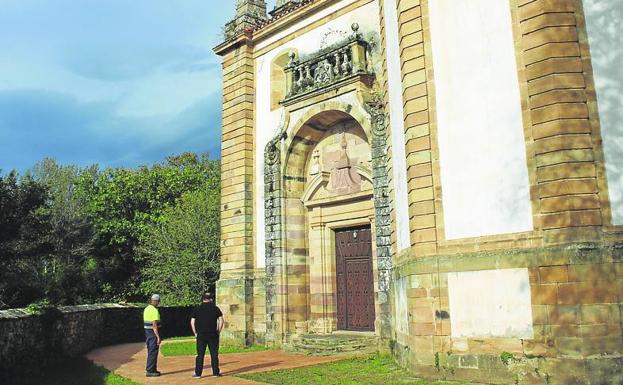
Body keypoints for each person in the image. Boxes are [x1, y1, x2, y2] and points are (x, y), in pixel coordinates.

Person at [190, 292, 224, 378]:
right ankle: (215, 373)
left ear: (203, 298)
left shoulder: (197, 309)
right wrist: (218, 331)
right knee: (214, 354)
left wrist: (195, 333)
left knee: (200, 354)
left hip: (201, 334)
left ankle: (198, 373)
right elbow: (221, 320)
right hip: (213, 334)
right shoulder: (215, 308)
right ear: (211, 299)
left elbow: (192, 321)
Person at [143, 294, 162, 377]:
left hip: (148, 332)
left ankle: (152, 369)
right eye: (158, 301)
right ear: (156, 301)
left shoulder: (147, 309)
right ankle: (150, 370)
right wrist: (158, 336)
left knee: (151, 350)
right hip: (152, 333)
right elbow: (154, 324)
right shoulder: (154, 310)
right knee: (153, 351)